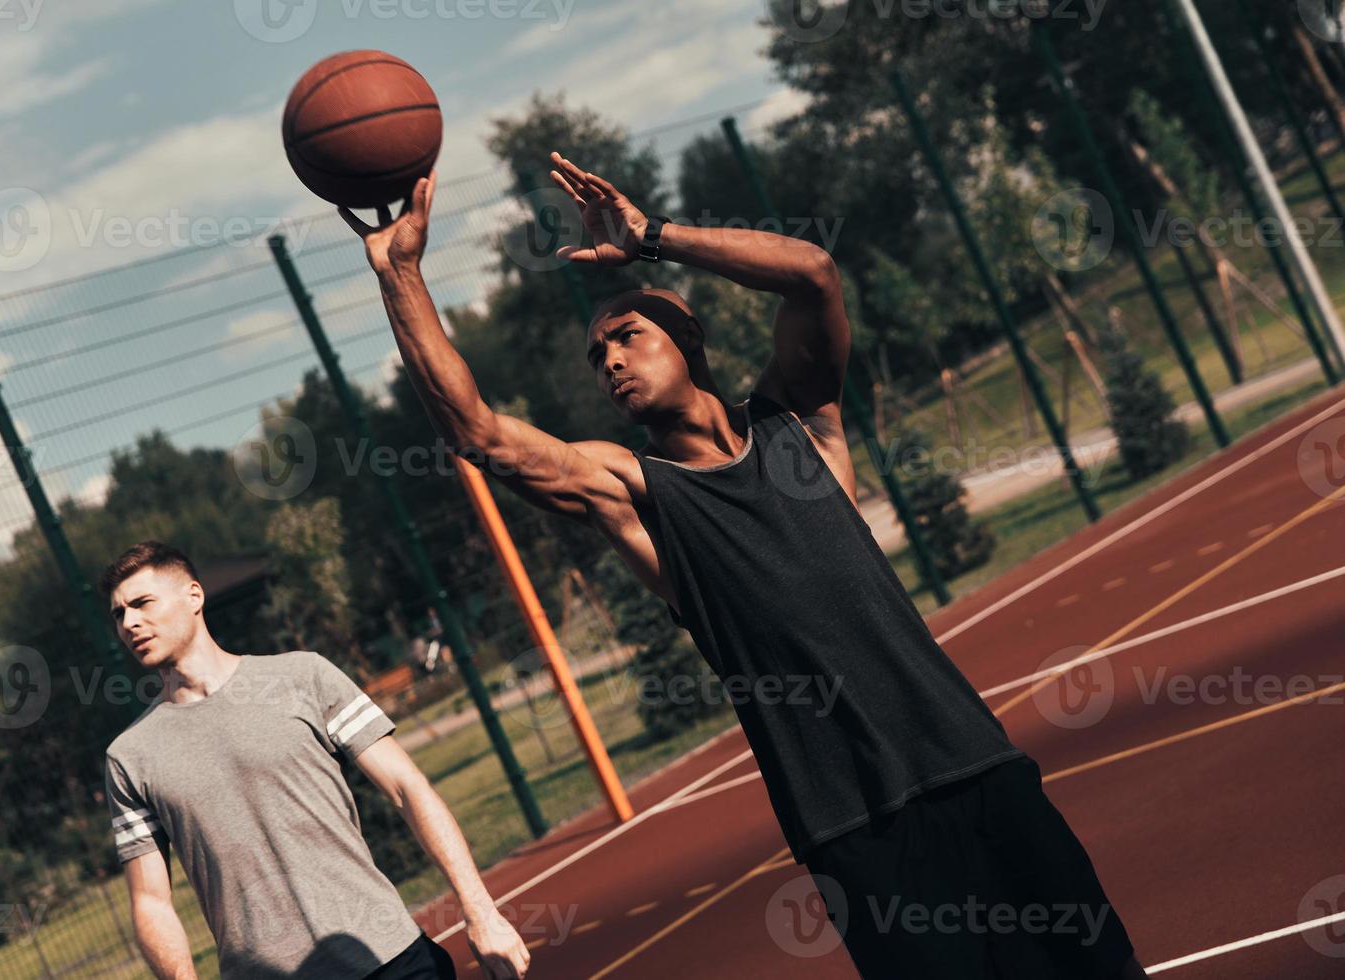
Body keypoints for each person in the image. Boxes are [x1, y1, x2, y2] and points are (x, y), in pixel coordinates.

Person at [337, 155, 1146, 978]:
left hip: (973, 760)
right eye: (597, 357)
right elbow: (481, 433)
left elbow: (814, 277)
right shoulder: (637, 494)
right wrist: (400, 274)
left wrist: (651, 239)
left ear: (687, 342)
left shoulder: (802, 426)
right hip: (854, 824)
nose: (610, 361)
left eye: (627, 337)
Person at [100, 541, 530, 980]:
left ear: (194, 596)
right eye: (118, 614)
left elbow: (407, 787)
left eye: (142, 603)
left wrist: (481, 912)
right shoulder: (130, 757)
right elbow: (151, 900)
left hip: (389, 958)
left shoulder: (303, 676)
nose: (129, 623)